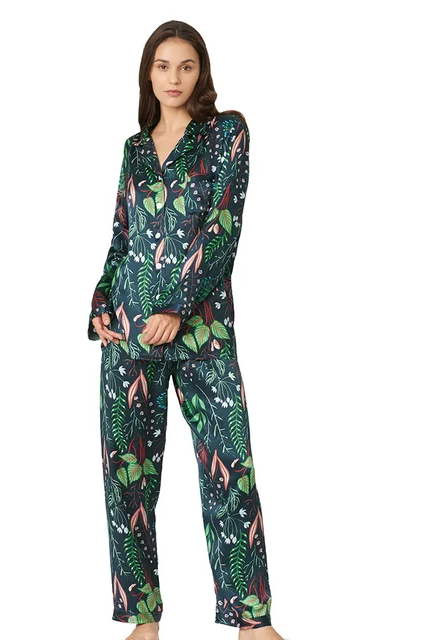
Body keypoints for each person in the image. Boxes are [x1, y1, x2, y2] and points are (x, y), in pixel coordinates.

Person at [88, 20, 284, 640]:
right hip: (129, 334)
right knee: (128, 477)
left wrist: (176, 306)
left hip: (201, 333)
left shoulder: (227, 134)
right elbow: (123, 236)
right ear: (148, 74)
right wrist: (100, 302)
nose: (174, 78)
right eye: (163, 66)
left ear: (202, 73)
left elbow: (224, 227)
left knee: (231, 466)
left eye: (186, 66)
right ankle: (143, 621)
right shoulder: (134, 149)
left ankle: (252, 622)